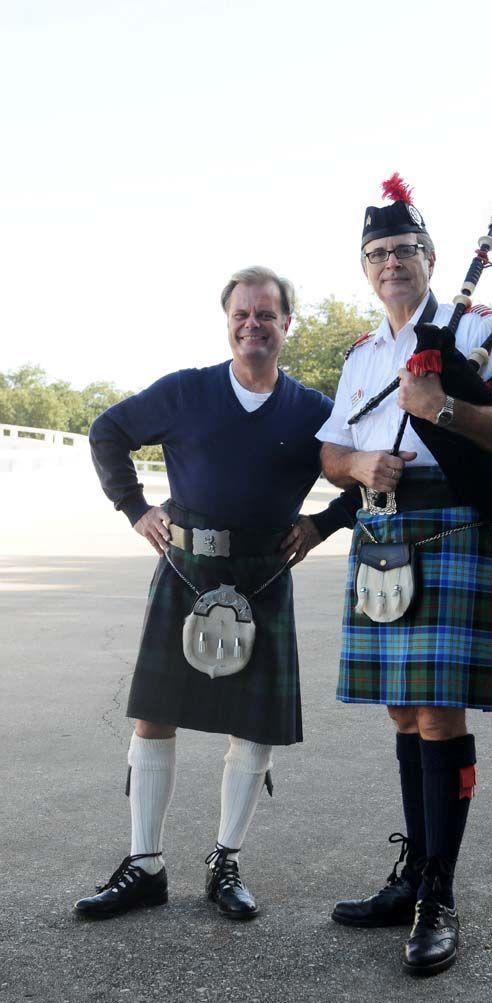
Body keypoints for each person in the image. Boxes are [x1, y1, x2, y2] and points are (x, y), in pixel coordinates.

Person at [75, 265, 357, 920]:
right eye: (242, 313)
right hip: (185, 570)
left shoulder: (314, 411)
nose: (253, 324)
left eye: (266, 314)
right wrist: (135, 507)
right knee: (155, 714)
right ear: (227, 320)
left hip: (262, 575)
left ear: (287, 323)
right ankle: (144, 865)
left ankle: (225, 861)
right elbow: (107, 432)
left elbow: (361, 472)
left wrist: (322, 524)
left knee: (252, 727)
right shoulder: (186, 392)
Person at [316, 180, 492, 975]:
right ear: (365, 269)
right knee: (404, 713)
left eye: (404, 250)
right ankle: (412, 875)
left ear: (429, 257)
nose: (391, 264)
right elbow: (329, 453)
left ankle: (438, 895)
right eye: (377, 254)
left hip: (447, 527)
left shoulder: (475, 330)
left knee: (440, 715)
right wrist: (358, 463)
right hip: (380, 529)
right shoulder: (361, 356)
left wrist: (444, 410)